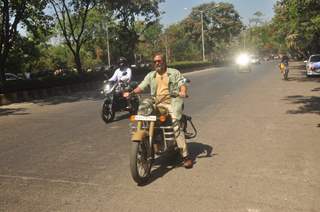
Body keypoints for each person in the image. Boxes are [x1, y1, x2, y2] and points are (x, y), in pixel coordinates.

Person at [124, 53, 193, 168]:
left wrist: (183, 91)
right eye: (155, 61)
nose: (157, 63)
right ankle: (146, 141)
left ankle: (185, 156)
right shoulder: (151, 75)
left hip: (171, 102)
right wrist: (131, 93)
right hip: (156, 102)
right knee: (143, 110)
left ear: (164, 62)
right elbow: (141, 86)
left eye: (159, 61)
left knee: (176, 125)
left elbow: (182, 83)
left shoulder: (174, 72)